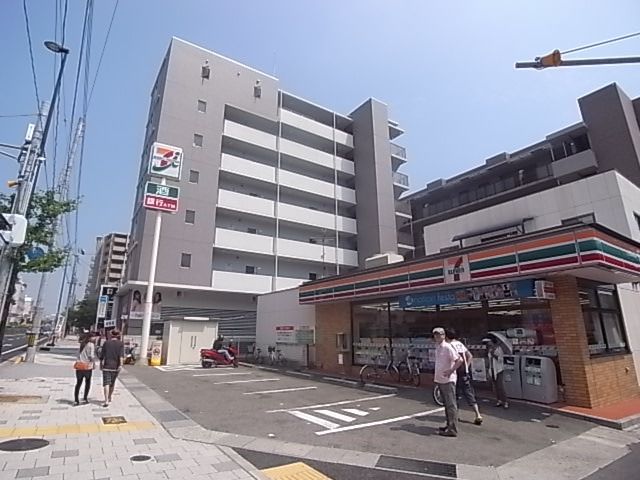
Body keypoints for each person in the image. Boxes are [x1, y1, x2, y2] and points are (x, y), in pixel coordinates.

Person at [445, 328, 483, 425]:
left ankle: (454, 416)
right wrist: (467, 366)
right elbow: (470, 355)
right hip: (464, 372)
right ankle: (478, 414)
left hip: (455, 372)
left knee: (454, 395)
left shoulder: (448, 345)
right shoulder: (459, 344)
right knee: (469, 393)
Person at [433, 327, 464, 437]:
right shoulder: (438, 347)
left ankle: (453, 429)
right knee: (446, 404)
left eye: (440, 334)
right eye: (435, 334)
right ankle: (449, 425)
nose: (437, 336)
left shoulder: (447, 347)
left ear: (444, 335)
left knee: (451, 404)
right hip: (441, 379)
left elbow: (459, 360)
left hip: (448, 380)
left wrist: (451, 370)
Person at [99, 329, 124, 407]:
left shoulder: (106, 343)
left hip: (106, 365)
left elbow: (102, 354)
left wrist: (101, 363)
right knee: (112, 383)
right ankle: (109, 396)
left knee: (106, 383)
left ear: (111, 335)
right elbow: (121, 355)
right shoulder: (120, 344)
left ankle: (106, 400)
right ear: (118, 335)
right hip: (115, 366)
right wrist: (121, 365)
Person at [73, 334, 96, 406]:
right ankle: (85, 398)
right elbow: (91, 356)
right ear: (90, 337)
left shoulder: (82, 344)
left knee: (78, 383)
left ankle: (76, 400)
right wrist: (94, 363)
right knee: (88, 382)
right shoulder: (91, 345)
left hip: (79, 365)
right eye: (94, 337)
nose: (95, 338)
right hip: (87, 366)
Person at [487, 335, 509, 409]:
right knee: (495, 386)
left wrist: (493, 354)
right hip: (492, 369)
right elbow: (489, 360)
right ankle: (499, 400)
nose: (488, 342)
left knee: (500, 386)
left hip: (498, 369)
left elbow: (500, 359)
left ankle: (505, 401)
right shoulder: (490, 349)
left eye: (489, 341)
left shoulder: (499, 349)